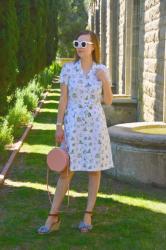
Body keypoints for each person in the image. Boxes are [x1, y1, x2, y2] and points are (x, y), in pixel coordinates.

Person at [37, 30, 114, 234]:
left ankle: (88, 215)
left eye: (83, 44)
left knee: (94, 170)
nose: (79, 47)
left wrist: (104, 80)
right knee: (66, 170)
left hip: (96, 125)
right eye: (77, 43)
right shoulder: (68, 70)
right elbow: (63, 100)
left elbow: (108, 101)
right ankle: (52, 217)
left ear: (93, 47)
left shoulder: (101, 69)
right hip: (73, 125)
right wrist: (59, 125)